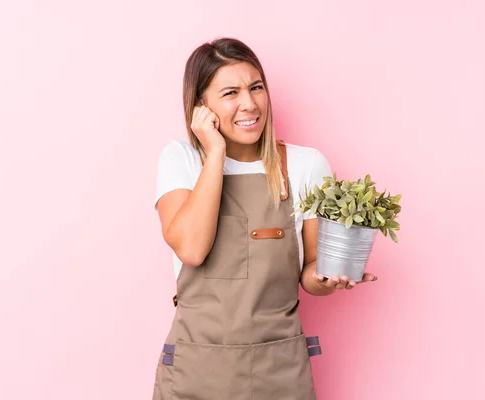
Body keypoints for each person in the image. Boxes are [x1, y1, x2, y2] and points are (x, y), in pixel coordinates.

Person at [151, 37, 377, 400]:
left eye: (256, 87)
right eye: (230, 93)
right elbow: (191, 249)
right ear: (201, 107)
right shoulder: (182, 160)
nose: (250, 103)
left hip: (280, 372)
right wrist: (215, 153)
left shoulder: (306, 165)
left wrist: (329, 278)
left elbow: (311, 273)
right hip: (196, 372)